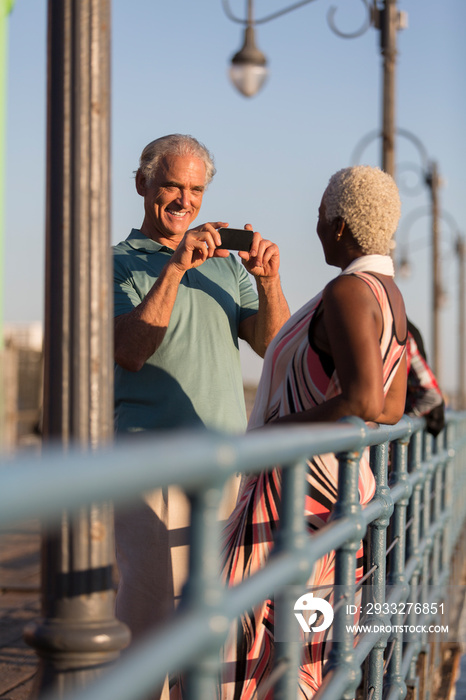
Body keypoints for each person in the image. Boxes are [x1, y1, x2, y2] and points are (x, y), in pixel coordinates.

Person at [219, 165, 408, 699]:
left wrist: (273, 432)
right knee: (301, 652)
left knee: (239, 654)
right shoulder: (388, 293)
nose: (318, 228)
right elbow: (392, 405)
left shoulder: (348, 290)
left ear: (342, 226)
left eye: (323, 218)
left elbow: (367, 399)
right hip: (336, 493)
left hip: (294, 500)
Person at [112, 135, 290, 663]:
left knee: (219, 623)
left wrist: (270, 282)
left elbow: (271, 347)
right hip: (149, 464)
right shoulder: (117, 264)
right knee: (150, 620)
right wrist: (175, 268)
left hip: (226, 465)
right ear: (143, 185)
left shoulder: (228, 268)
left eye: (196, 189)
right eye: (172, 185)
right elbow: (130, 351)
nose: (185, 200)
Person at [405, 319, 445, 436]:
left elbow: (431, 396)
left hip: (391, 426)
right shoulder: (406, 328)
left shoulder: (401, 329)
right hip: (407, 425)